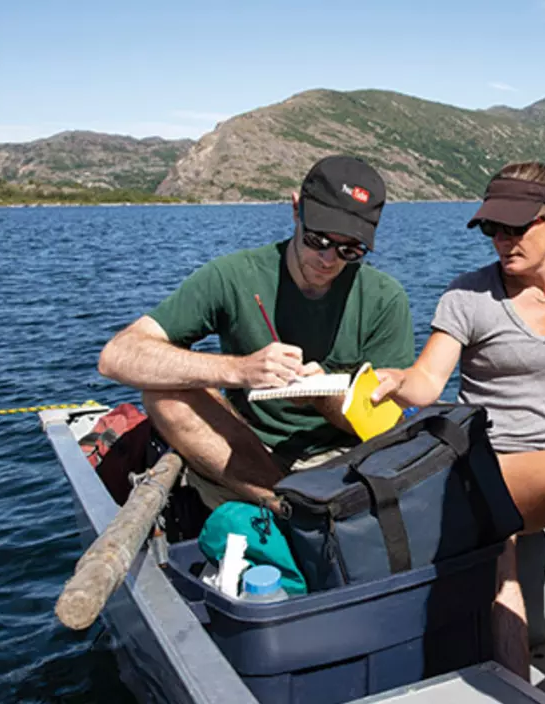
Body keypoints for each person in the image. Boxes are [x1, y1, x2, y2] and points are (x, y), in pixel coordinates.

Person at [370, 162, 545, 704]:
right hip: (485, 466)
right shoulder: (469, 297)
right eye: (492, 230)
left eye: (514, 228)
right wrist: (397, 382)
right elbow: (428, 380)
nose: (502, 242)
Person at [98, 155, 414, 511]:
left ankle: (297, 513)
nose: (328, 260)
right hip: (247, 450)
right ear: (297, 210)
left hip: (343, 456)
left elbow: (387, 426)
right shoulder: (233, 276)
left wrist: (320, 396)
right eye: (317, 240)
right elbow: (116, 356)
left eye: (349, 250)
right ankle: (288, 508)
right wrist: (239, 371)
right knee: (163, 396)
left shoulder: (385, 298)